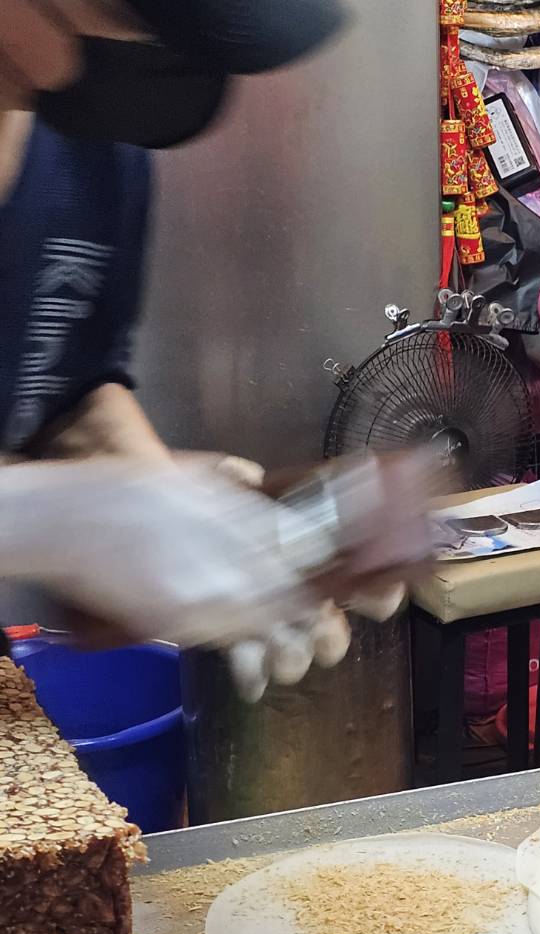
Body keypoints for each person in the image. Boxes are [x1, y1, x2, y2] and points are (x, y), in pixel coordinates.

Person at [0, 0, 429, 698]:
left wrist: (181, 510)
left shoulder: (90, 128)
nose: (113, 42)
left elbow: (65, 387)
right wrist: (48, 522)